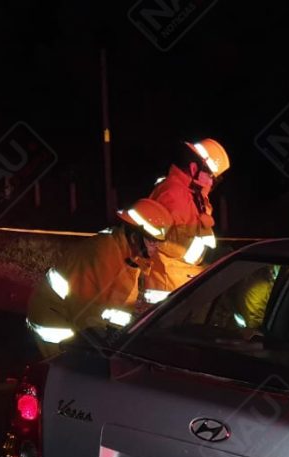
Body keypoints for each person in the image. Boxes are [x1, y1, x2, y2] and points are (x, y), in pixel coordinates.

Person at [26, 198, 172, 356]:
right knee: (74, 368)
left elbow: (112, 307)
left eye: (158, 242)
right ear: (134, 236)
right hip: (58, 328)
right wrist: (109, 346)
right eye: (152, 241)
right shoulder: (102, 254)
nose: (156, 247)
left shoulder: (129, 256)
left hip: (80, 324)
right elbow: (86, 314)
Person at [143, 138, 231, 299]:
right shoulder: (172, 193)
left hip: (183, 278)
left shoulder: (194, 195)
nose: (211, 181)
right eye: (210, 175)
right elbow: (163, 243)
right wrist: (210, 254)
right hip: (167, 285)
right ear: (193, 168)